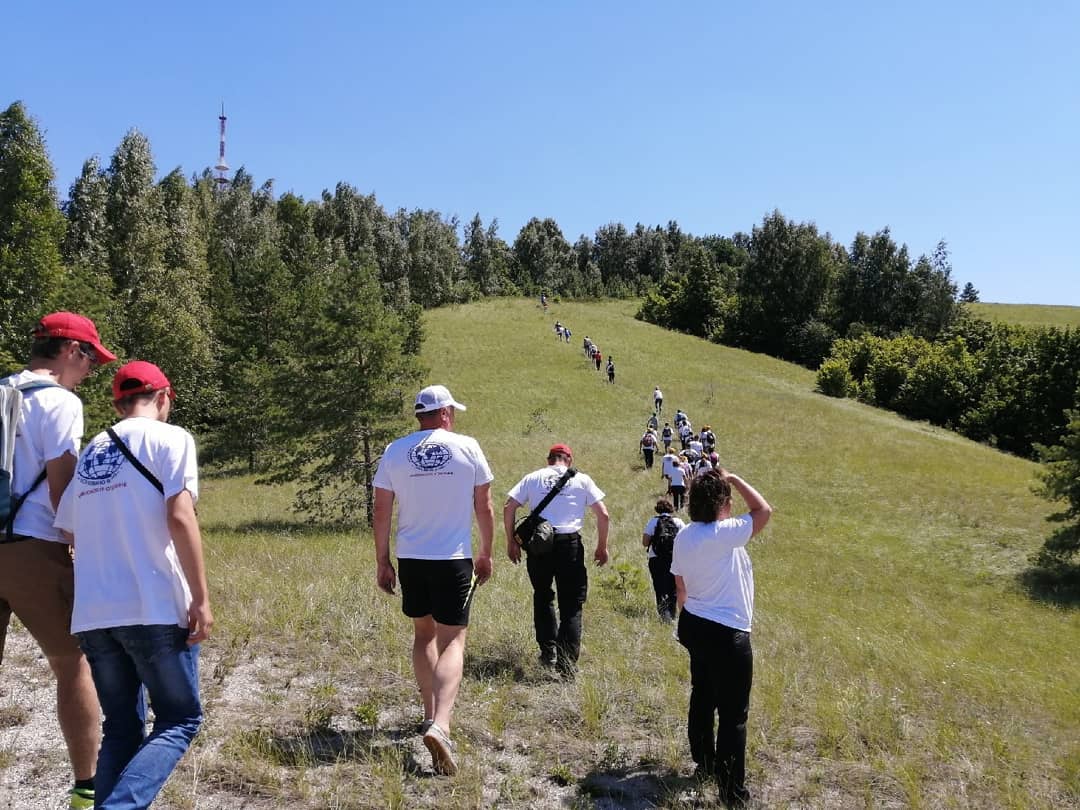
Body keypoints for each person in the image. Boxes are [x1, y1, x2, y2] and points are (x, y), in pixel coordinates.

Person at [54, 360, 211, 809]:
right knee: (180, 719)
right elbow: (180, 517)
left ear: (118, 404)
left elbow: (68, 528)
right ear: (163, 398)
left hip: (94, 614)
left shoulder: (94, 449)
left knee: (122, 728)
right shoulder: (171, 438)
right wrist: (201, 599)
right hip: (152, 604)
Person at [0, 312, 116, 810]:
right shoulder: (60, 402)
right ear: (70, 350)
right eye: (90, 359)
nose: (91, 370)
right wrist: (83, 544)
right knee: (72, 663)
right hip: (34, 548)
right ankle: (88, 787)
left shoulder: (2, 390)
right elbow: (62, 490)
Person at [373, 384, 495, 776]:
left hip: (412, 557)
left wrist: (382, 560)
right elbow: (484, 505)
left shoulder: (395, 451)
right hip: (453, 558)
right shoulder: (468, 447)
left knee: (423, 635)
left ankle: (429, 714)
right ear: (444, 413)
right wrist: (486, 552)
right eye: (452, 412)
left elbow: (381, 509)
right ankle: (441, 725)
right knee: (453, 640)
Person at [673, 469, 771, 806]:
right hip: (727, 633)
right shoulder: (724, 533)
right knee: (733, 716)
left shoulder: (684, 535)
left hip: (694, 622)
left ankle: (704, 763)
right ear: (723, 503)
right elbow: (763, 511)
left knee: (702, 695)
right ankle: (732, 793)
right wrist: (737, 480)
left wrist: (690, 617)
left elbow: (680, 585)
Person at [504, 444, 608, 677]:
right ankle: (566, 663)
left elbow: (509, 506)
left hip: (539, 544)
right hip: (569, 545)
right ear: (569, 459)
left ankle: (548, 651)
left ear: (549, 459)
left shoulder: (533, 477)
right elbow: (603, 514)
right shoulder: (582, 479)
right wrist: (602, 547)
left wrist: (511, 542)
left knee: (542, 596)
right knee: (571, 604)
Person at [641, 498, 684, 622]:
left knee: (659, 586)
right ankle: (672, 614)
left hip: (656, 559)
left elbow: (645, 542)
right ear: (671, 509)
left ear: (658, 509)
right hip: (674, 559)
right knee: (673, 587)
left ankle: (664, 615)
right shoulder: (678, 522)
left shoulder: (653, 521)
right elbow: (686, 540)